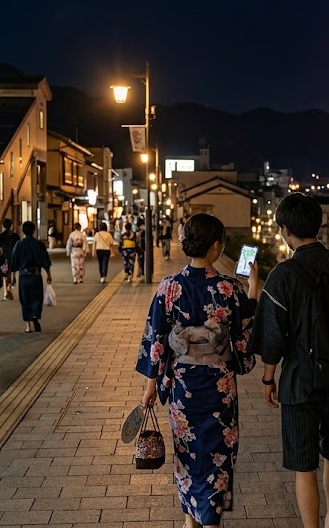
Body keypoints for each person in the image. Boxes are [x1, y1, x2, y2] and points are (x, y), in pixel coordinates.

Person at [248, 193, 329, 528]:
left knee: (304, 465)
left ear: (285, 230)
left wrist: (267, 378)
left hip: (299, 382)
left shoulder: (282, 275)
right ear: (317, 225)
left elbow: (272, 339)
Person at [136, 213, 260, 528]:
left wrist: (151, 386)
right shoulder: (229, 288)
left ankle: (191, 521)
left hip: (182, 389)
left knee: (187, 456)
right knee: (218, 458)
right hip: (219, 390)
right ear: (216, 246)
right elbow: (243, 334)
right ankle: (210, 522)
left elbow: (157, 339)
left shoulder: (169, 287)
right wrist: (254, 286)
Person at [9, 221, 52, 333]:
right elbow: (45, 262)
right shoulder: (39, 244)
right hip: (36, 276)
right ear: (34, 230)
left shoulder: (19, 244)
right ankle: (35, 316)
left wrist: (13, 277)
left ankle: (28, 326)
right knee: (37, 298)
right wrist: (48, 275)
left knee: (25, 300)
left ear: (23, 231)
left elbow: (14, 263)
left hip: (23, 277)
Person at [0, 218, 21, 300]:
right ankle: (10, 286)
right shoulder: (15, 236)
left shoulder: (0, 236)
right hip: (13, 257)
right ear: (11, 226)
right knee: (12, 272)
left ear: (3, 226)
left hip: (3, 257)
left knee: (4, 275)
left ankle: (6, 293)